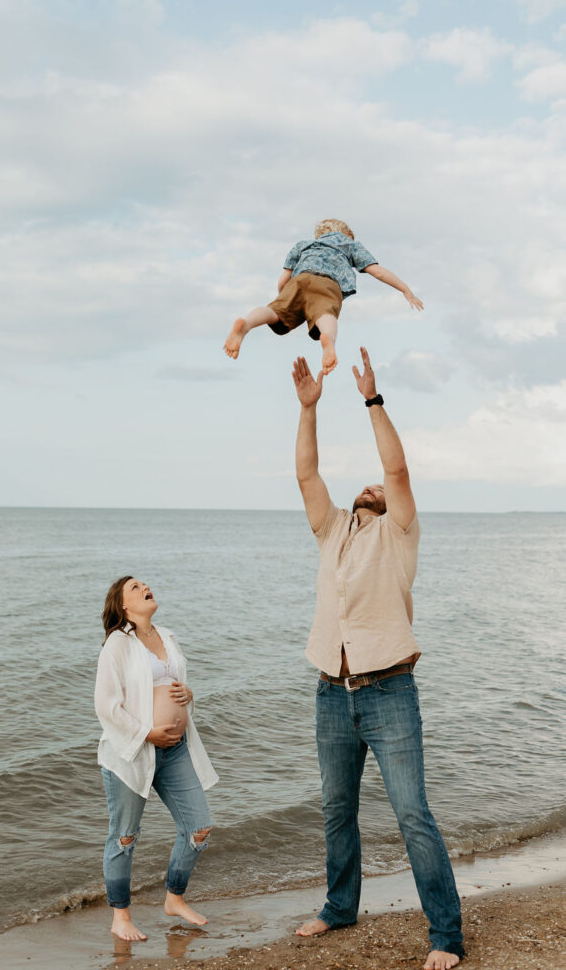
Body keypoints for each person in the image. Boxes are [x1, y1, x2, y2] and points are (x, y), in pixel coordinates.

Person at [291, 348, 464, 970]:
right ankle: (340, 907)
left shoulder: (400, 532)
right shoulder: (334, 528)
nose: (369, 486)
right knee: (337, 809)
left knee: (412, 814)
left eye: (375, 488)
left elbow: (397, 470)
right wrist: (308, 410)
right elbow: (308, 476)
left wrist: (371, 399)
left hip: (390, 692)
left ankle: (445, 935)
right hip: (331, 692)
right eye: (364, 486)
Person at [94, 575, 218, 941]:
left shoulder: (168, 636)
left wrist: (189, 692)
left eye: (144, 584)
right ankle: (121, 917)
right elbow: (106, 705)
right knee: (124, 837)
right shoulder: (117, 644)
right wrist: (147, 733)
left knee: (199, 827)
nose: (144, 587)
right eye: (133, 587)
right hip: (131, 752)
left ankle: (174, 898)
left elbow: (176, 687)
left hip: (176, 749)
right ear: (123, 606)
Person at [223, 218, 423, 375]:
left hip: (299, 280)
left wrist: (284, 298)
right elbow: (377, 271)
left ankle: (246, 324)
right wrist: (405, 289)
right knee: (325, 315)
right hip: (328, 284)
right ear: (346, 234)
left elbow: (283, 279)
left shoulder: (304, 245)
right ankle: (329, 341)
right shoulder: (351, 245)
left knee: (274, 310)